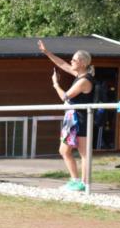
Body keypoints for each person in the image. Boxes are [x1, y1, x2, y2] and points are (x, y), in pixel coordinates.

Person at [39, 40, 96, 192]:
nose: (71, 62)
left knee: (83, 153)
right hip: (72, 118)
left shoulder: (84, 80)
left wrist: (55, 84)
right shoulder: (79, 74)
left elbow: (65, 97)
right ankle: (75, 180)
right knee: (64, 150)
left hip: (81, 119)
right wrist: (47, 52)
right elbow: (62, 64)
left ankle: (84, 183)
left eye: (74, 60)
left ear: (82, 63)